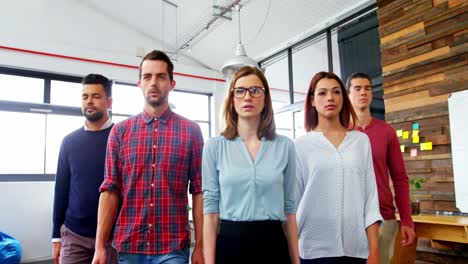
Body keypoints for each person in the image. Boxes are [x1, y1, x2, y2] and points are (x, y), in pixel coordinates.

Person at [92, 50, 204, 264]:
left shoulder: (191, 131)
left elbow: (199, 191)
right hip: (130, 245)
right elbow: (109, 190)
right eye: (147, 76)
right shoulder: (120, 132)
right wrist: (100, 246)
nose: (153, 83)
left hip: (172, 247)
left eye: (161, 77)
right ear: (139, 83)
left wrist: (200, 246)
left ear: (172, 83)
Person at [203, 66, 299, 264]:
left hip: (273, 245)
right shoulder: (214, 147)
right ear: (232, 100)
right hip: (230, 246)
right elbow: (211, 212)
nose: (247, 97)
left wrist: (296, 261)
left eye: (255, 90)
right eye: (240, 91)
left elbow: (289, 209)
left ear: (265, 99)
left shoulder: (285, 146)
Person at [295, 71, 382, 264]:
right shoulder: (300, 145)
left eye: (336, 92)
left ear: (343, 97)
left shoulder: (361, 141)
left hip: (356, 250)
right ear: (312, 100)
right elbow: (292, 204)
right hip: (312, 251)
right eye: (322, 93)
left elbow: (370, 200)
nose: (330, 98)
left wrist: (374, 251)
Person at [346, 72, 415, 264]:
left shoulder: (387, 132)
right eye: (357, 88)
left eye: (367, 88)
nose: (363, 93)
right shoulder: (341, 133)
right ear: (348, 94)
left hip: (384, 217)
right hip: (350, 220)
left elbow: (400, 178)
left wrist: (407, 221)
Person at [52, 74, 118, 264]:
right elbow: (61, 190)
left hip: (113, 238)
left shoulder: (122, 138)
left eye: (96, 96)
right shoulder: (69, 142)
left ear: (109, 101)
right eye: (85, 96)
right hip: (74, 236)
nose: (89, 101)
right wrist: (56, 237)